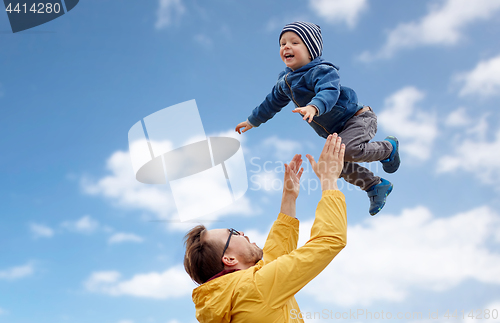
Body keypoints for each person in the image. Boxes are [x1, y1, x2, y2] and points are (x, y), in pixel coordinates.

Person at [234, 21, 400, 215]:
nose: (286, 46)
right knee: (332, 165)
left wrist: (314, 106)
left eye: (294, 42)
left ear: (311, 51)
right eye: (282, 44)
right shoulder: (284, 82)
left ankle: (389, 149)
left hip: (358, 119)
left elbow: (328, 91)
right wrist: (253, 120)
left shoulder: (322, 70)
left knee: (350, 150)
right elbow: (271, 103)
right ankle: (375, 185)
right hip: (337, 132)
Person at [184, 134, 347, 323]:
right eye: (233, 233)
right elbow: (329, 241)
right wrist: (329, 180)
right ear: (229, 259)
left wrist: (289, 198)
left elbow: (272, 258)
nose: (242, 233)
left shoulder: (228, 296)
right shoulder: (255, 287)